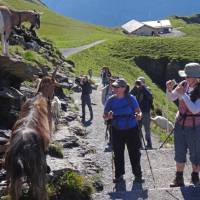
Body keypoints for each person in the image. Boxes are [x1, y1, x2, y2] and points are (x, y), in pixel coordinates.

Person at [166, 62, 200, 187]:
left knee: (196, 152)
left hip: (195, 126)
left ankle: (195, 177)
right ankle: (179, 178)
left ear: (196, 77)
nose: (185, 78)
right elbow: (171, 98)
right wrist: (169, 89)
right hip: (180, 124)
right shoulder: (183, 85)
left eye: (187, 76)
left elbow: (195, 109)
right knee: (179, 150)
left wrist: (183, 95)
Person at [104, 78, 143, 183]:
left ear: (124, 88)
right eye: (114, 86)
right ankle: (119, 175)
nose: (114, 88)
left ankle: (138, 174)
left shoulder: (131, 99)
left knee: (134, 152)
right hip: (116, 129)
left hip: (132, 129)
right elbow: (104, 116)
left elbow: (138, 112)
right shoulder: (111, 100)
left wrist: (138, 116)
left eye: (116, 87)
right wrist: (109, 116)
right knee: (118, 152)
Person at [130, 77, 154, 149]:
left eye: (141, 82)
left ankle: (149, 144)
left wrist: (143, 88)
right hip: (138, 111)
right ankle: (139, 144)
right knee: (138, 128)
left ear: (144, 83)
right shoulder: (136, 89)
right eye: (138, 82)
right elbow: (130, 94)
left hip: (146, 111)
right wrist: (135, 87)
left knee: (147, 129)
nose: (139, 84)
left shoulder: (147, 89)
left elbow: (150, 97)